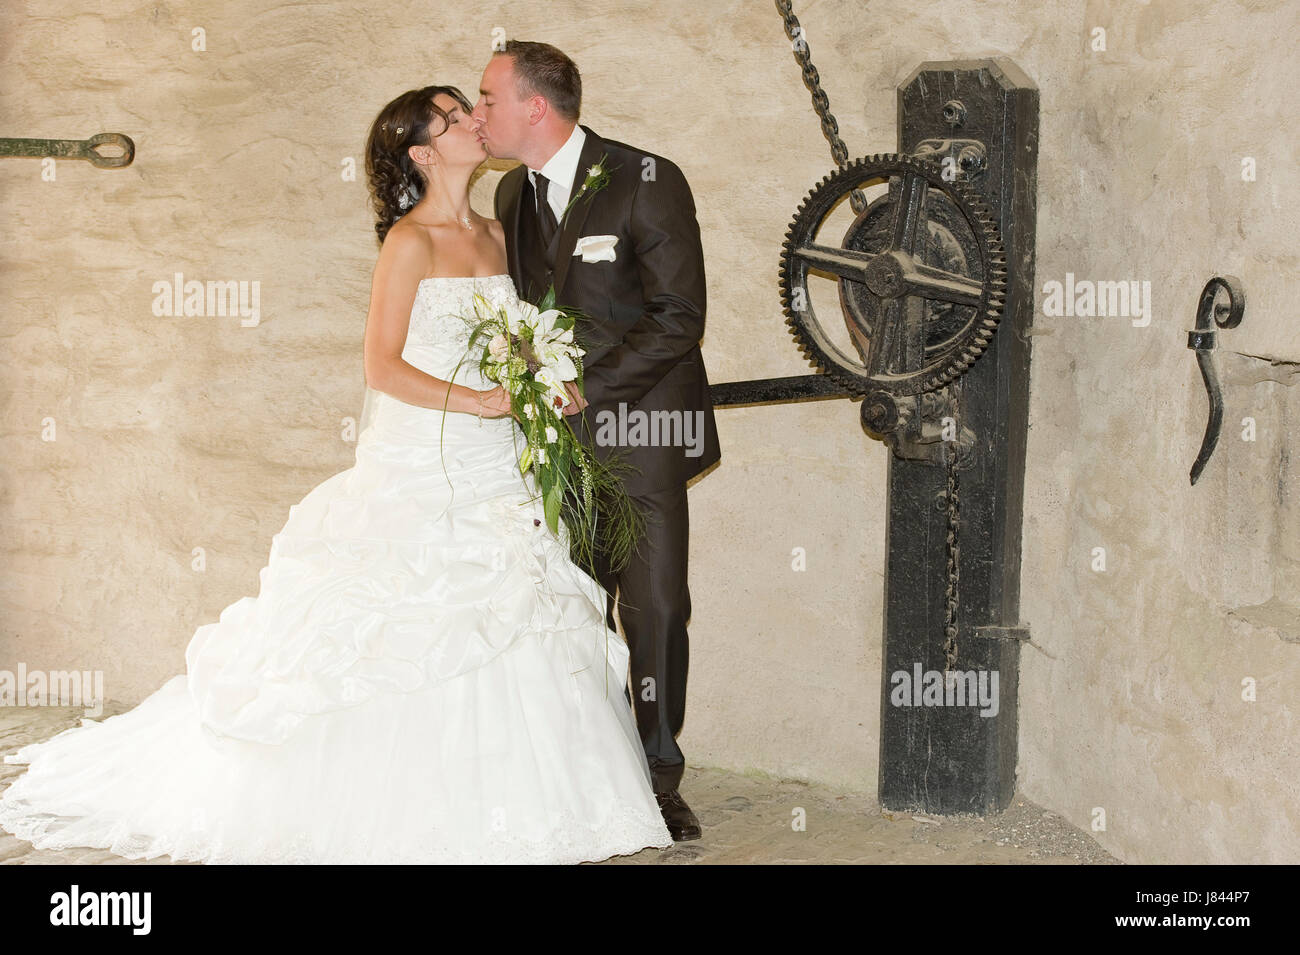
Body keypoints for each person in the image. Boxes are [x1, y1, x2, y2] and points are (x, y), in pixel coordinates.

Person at [0, 85, 674, 865]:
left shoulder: (495, 231)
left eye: (469, 110)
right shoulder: (410, 244)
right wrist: (482, 400)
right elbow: (381, 366)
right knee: (401, 624)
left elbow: (514, 339)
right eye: (455, 119)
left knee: (518, 608)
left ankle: (523, 809)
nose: (472, 123)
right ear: (423, 154)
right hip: (424, 456)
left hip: (495, 460)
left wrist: (532, 378)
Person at [472, 41, 721, 841]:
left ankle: (658, 776)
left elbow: (681, 315)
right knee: (571, 606)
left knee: (654, 609)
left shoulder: (647, 178)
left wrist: (592, 388)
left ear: (533, 108)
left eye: (487, 100)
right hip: (556, 450)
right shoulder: (512, 193)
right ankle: (588, 769)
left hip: (643, 430)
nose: (479, 115)